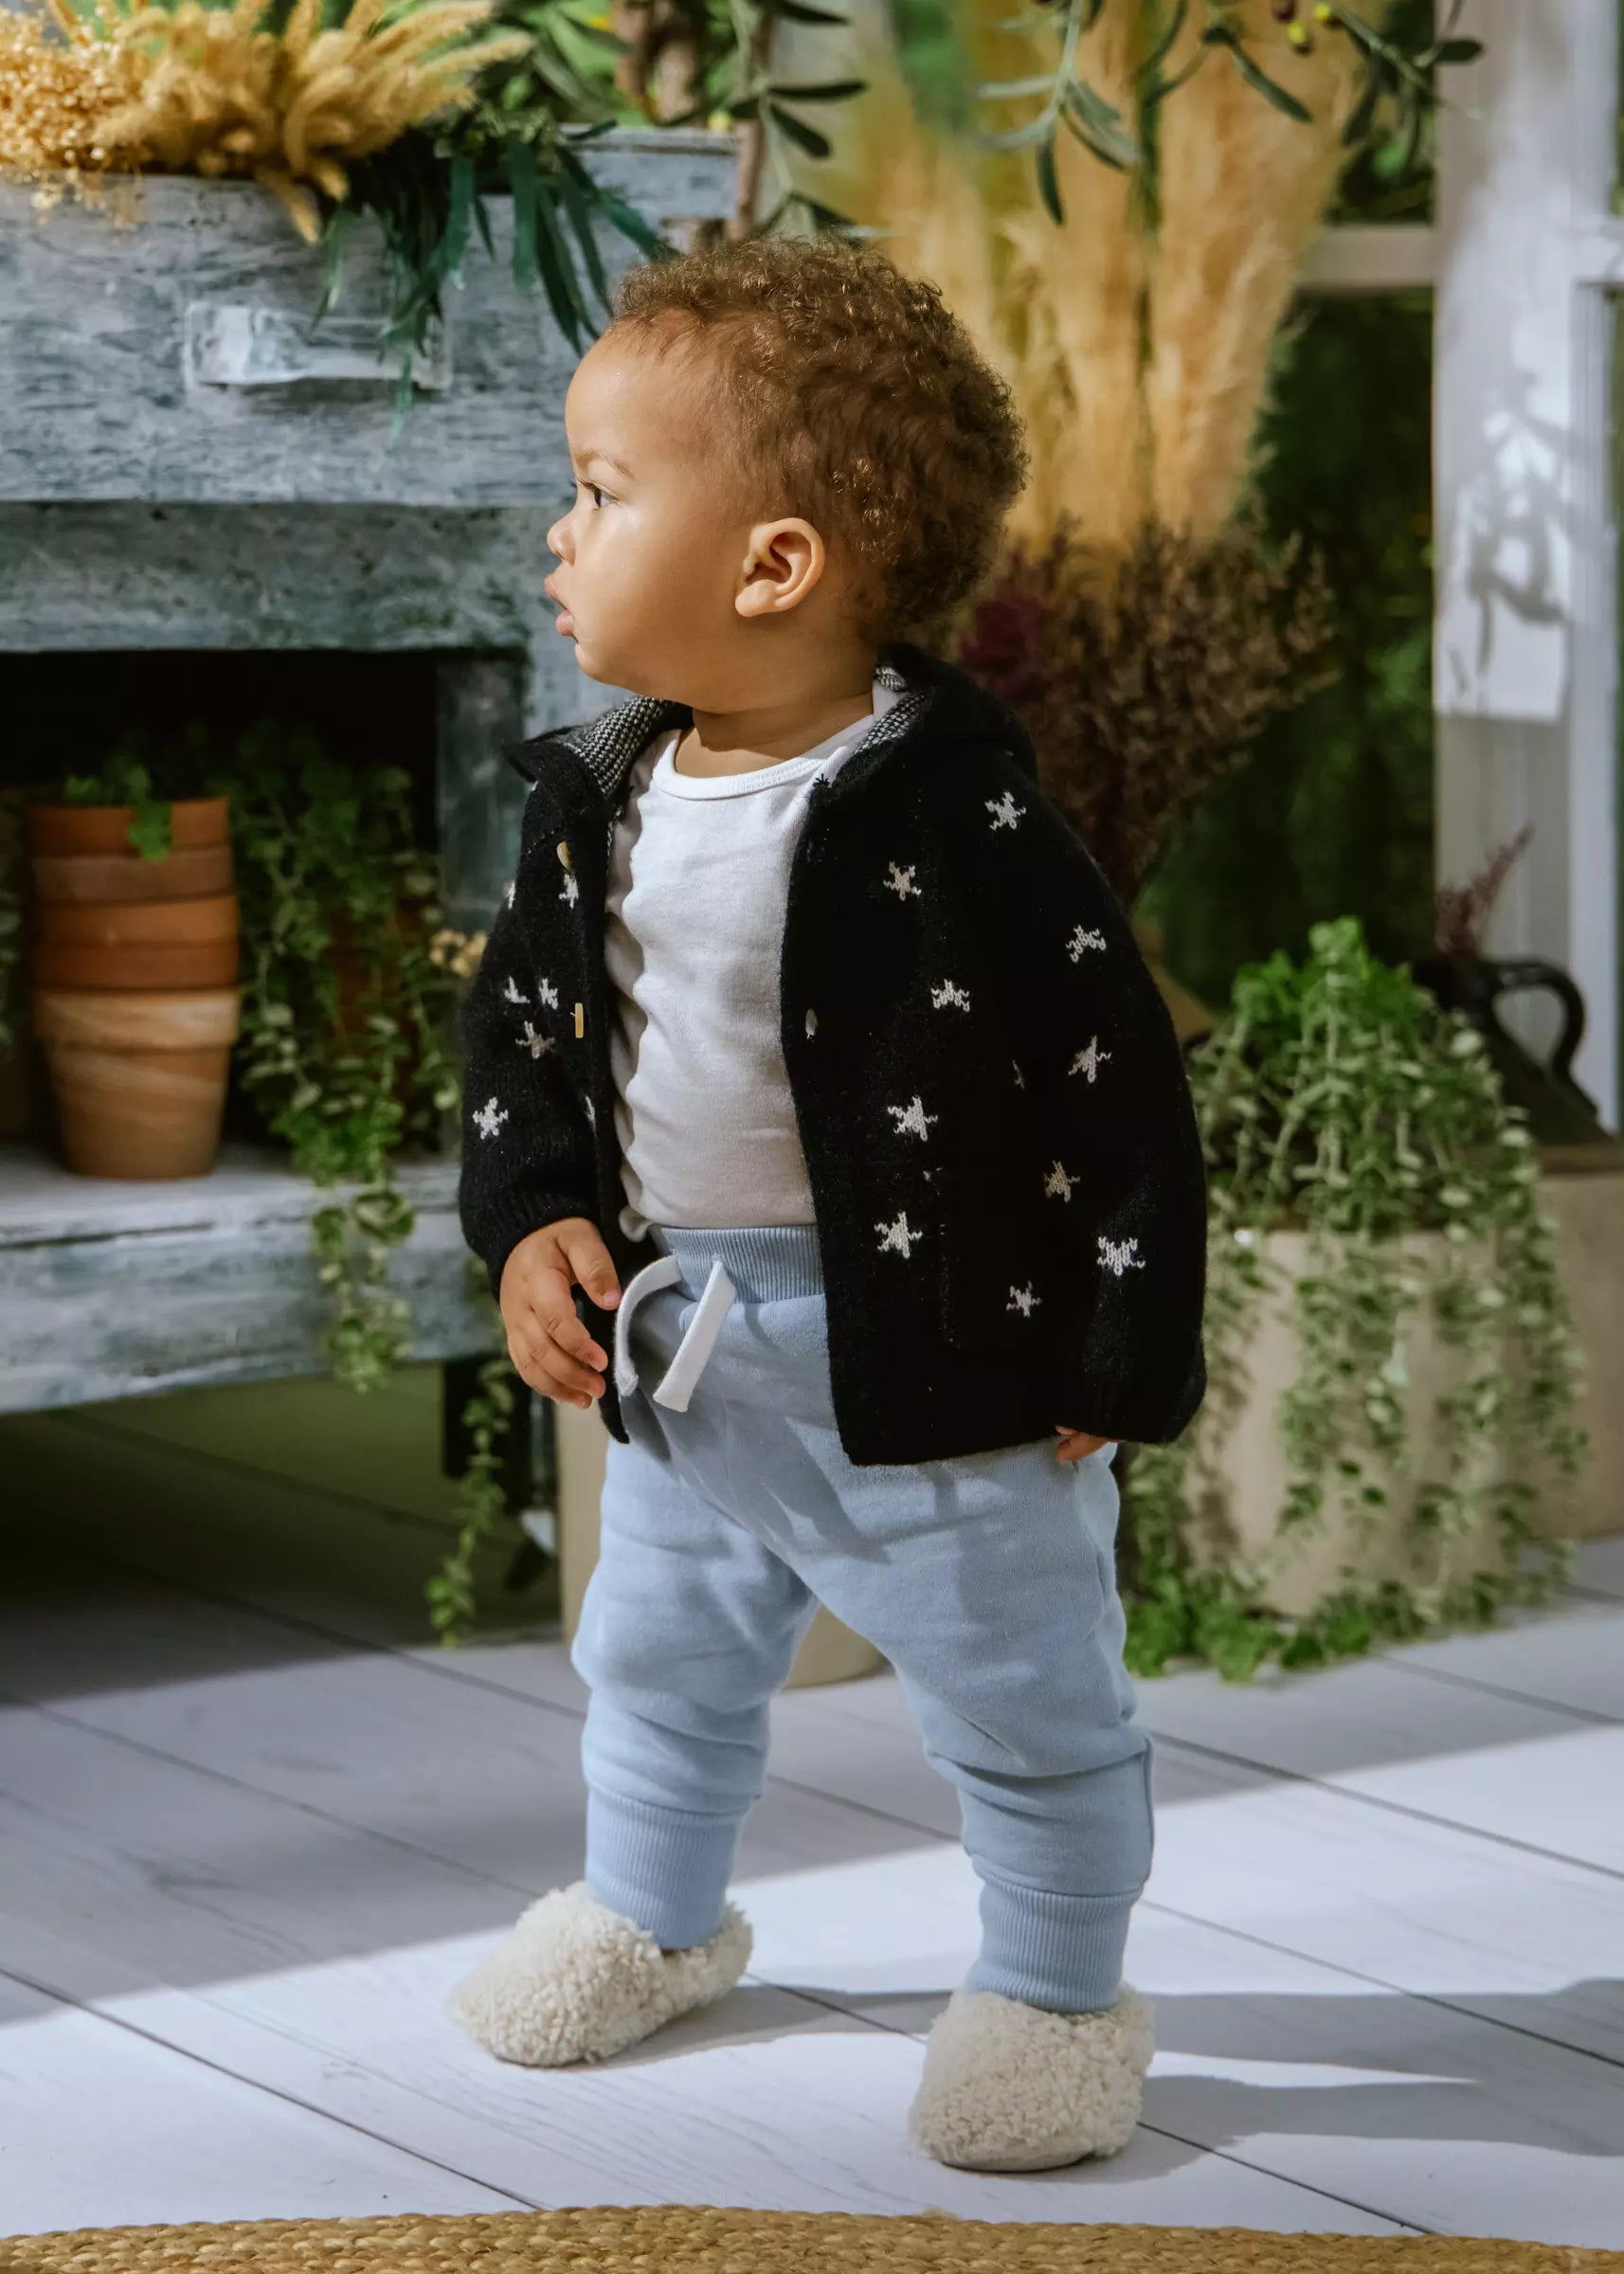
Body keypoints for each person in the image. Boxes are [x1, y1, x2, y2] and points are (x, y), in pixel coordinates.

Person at [448, 236, 1207, 2173]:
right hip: (687, 1347)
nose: (558, 533)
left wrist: (1118, 1345)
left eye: (601, 491)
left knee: (1023, 1696)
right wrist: (531, 1218)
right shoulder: (592, 795)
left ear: (770, 565)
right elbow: (523, 1032)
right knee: (657, 1658)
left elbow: (1116, 1079)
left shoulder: (955, 814)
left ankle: (1054, 1998)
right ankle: (650, 1917)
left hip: (949, 1353)